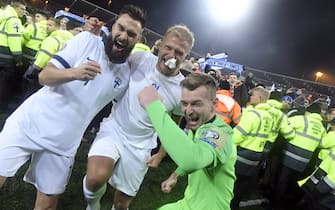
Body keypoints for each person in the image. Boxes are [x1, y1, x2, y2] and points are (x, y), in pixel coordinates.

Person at [0, 4, 145, 210]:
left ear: (137, 39)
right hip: (29, 123)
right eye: (120, 28)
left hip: (63, 144)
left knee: (48, 205)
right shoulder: (86, 40)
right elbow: (44, 76)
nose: (123, 36)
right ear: (112, 27)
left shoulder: (126, 76)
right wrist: (74, 73)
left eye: (131, 34)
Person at [83, 24, 195, 210]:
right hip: (115, 129)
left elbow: (173, 125)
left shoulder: (182, 89)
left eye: (179, 52)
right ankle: (93, 206)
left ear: (185, 58)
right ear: (160, 45)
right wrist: (95, 38)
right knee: (94, 180)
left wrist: (160, 154)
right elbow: (112, 58)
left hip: (141, 146)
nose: (172, 55)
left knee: (121, 204)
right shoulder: (140, 59)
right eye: (168, 47)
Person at [138, 73, 237, 210]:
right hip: (188, 204)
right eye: (184, 103)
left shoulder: (220, 134)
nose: (188, 111)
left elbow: (194, 159)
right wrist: (175, 175)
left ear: (214, 104)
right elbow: (192, 152)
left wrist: (154, 106)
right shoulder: (199, 127)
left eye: (196, 104)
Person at [0, 0, 26, 112]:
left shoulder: (4, 16)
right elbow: (14, 40)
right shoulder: (14, 20)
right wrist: (18, 58)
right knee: (4, 83)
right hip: (7, 56)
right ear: (15, 7)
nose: (24, 12)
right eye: (22, 9)